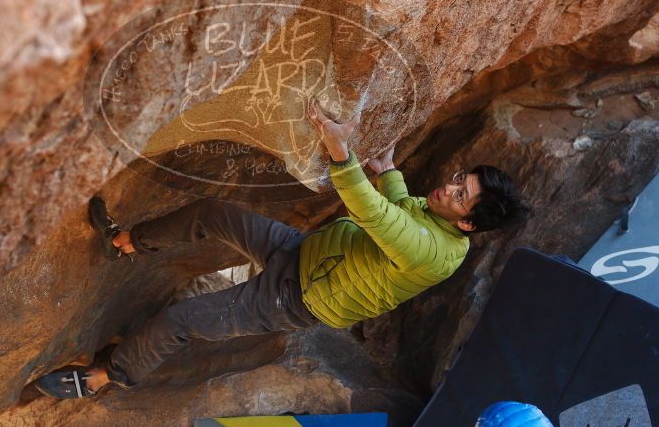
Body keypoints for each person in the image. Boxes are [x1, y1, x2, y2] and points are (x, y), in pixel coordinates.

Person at [36, 99, 531, 398]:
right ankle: (124, 243)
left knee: (180, 321)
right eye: (459, 178)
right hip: (306, 253)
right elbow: (403, 206)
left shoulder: (436, 254)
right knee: (213, 213)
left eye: (460, 194)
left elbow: (376, 216)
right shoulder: (440, 217)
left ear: (467, 223)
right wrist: (387, 169)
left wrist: (341, 150)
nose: (449, 187)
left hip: (297, 298)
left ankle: (105, 377)